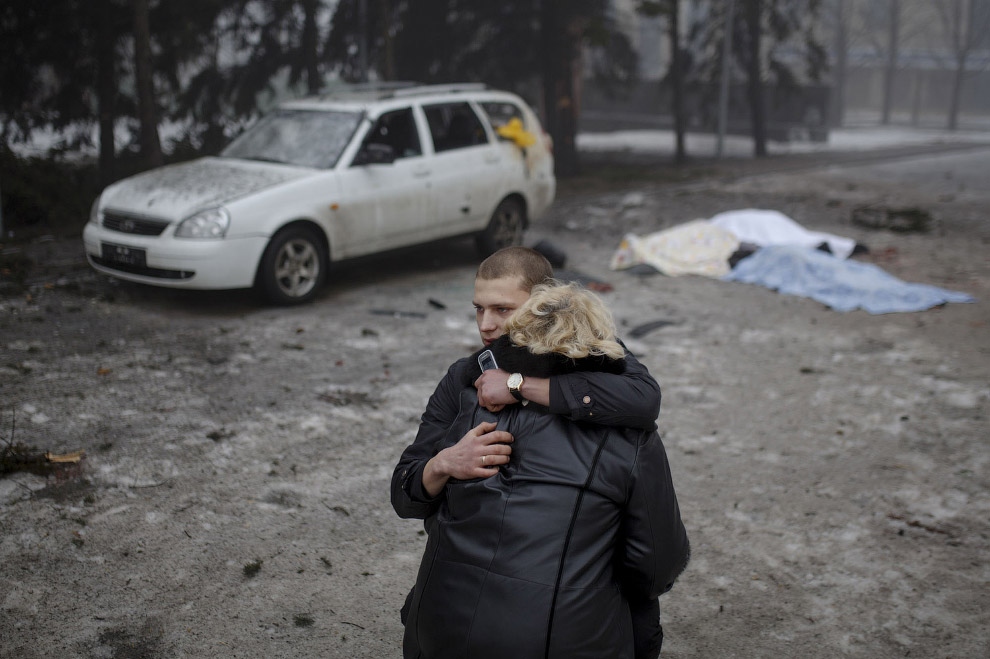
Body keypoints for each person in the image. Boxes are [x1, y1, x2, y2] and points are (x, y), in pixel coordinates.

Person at [392, 267, 689, 658]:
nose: (487, 325)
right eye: (479, 309)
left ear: (536, 309)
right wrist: (441, 465)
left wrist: (517, 385)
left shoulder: (475, 397)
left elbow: (642, 394)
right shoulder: (467, 384)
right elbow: (655, 566)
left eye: (503, 309)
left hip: (435, 631)